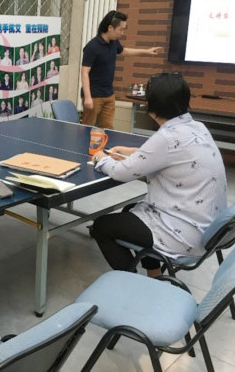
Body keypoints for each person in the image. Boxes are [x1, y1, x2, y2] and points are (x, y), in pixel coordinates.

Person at [90, 73, 227, 277]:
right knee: (131, 211)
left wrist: (100, 157)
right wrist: (131, 152)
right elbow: (171, 156)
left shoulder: (167, 137)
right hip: (209, 228)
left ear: (152, 107)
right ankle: (155, 275)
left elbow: (121, 172)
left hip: (186, 235)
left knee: (101, 226)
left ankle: (132, 282)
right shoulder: (197, 127)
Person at [81, 10, 162, 129]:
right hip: (94, 95)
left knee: (108, 127)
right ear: (110, 28)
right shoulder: (92, 47)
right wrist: (88, 97)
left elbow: (124, 51)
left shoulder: (114, 43)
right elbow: (84, 72)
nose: (122, 33)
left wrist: (146, 51)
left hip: (109, 94)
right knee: (87, 127)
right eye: (121, 29)